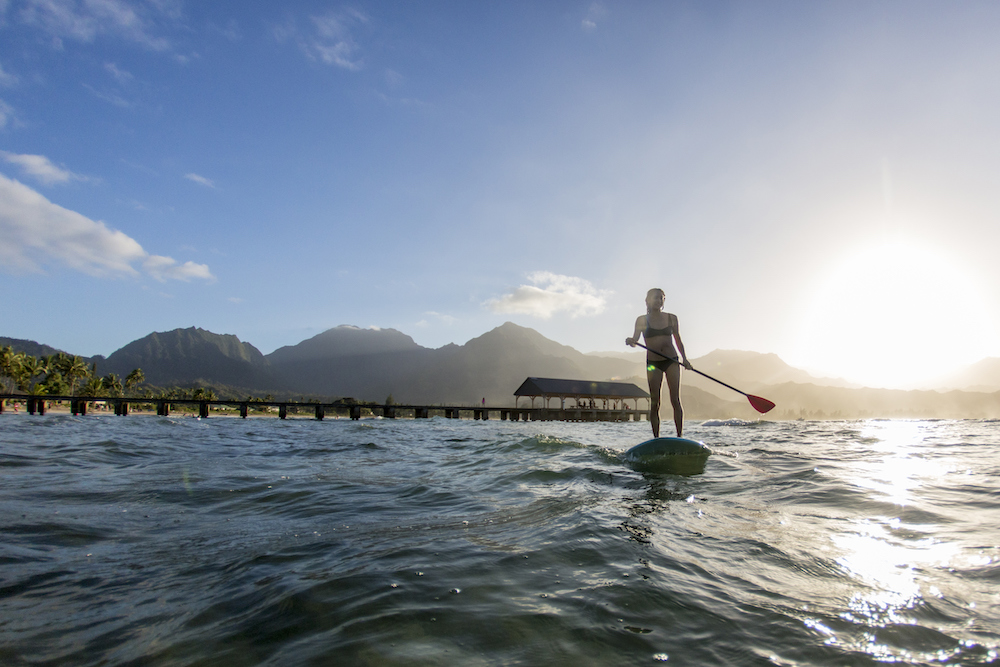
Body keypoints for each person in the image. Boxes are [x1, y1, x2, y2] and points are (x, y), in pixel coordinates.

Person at [625, 288, 692, 438]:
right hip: (653, 364)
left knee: (675, 399)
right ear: (647, 301)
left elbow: (678, 340)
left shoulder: (672, 318)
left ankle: (680, 436)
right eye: (655, 298)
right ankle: (656, 438)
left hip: (671, 361)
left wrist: (685, 359)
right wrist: (631, 341)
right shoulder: (641, 320)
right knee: (655, 402)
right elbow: (635, 341)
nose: (658, 301)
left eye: (661, 298)